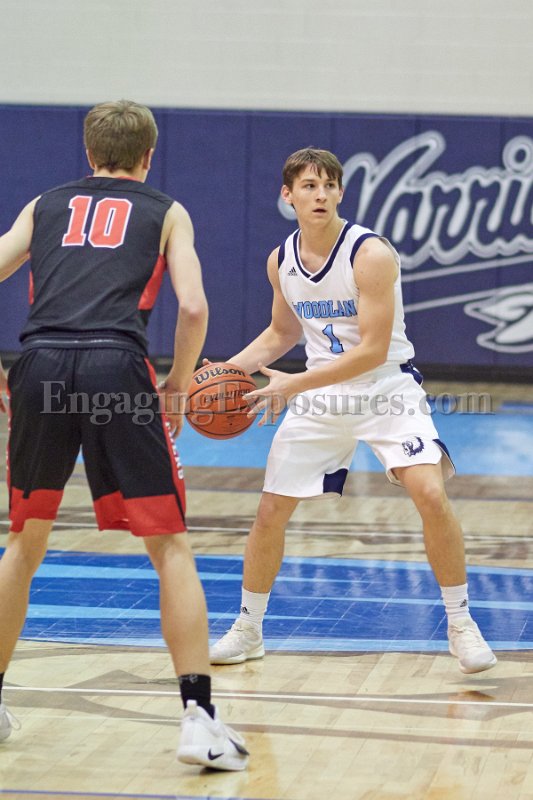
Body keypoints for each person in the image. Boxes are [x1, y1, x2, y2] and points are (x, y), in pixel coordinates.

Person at [0, 100, 248, 770]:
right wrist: (179, 384)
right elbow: (192, 304)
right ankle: (198, 720)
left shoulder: (43, 205)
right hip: (115, 364)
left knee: (24, 541)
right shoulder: (167, 211)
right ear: (148, 155)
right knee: (168, 544)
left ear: (88, 153)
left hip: (39, 364)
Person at [209, 146, 496, 676]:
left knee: (430, 493)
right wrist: (225, 372)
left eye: (329, 186)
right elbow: (281, 333)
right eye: (309, 186)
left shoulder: (370, 254)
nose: (320, 195)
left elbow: (371, 350)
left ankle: (461, 624)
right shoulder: (281, 260)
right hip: (321, 394)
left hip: (385, 386)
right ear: (288, 195)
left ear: (341, 192)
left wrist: (293, 385)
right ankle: (248, 628)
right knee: (271, 511)